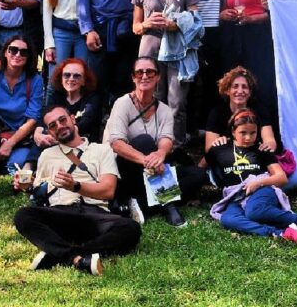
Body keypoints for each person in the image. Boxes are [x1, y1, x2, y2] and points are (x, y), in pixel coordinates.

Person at [13, 105, 142, 275]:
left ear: (72, 119)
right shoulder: (46, 155)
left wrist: (75, 186)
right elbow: (39, 193)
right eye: (53, 125)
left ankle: (58, 254)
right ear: (50, 132)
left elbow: (108, 190)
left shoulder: (101, 150)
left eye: (62, 120)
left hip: (94, 214)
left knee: (130, 228)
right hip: (61, 212)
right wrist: (27, 187)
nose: (59, 126)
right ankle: (77, 258)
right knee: (23, 215)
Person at [206, 109, 297, 242]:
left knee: (254, 212)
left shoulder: (262, 150)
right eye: (243, 133)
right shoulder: (219, 149)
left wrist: (258, 183)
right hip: (236, 196)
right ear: (233, 131)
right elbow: (202, 168)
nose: (248, 137)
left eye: (253, 133)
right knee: (228, 219)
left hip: (261, 190)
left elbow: (281, 178)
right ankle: (281, 233)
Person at [105, 56, 187, 227]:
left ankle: (140, 201)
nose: (144, 76)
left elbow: (166, 139)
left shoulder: (164, 110)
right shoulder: (122, 104)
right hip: (123, 168)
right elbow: (116, 144)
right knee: (145, 141)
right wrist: (148, 160)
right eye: (139, 72)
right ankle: (168, 203)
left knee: (196, 175)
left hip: (151, 169)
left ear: (158, 77)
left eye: (150, 72)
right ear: (133, 77)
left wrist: (160, 153)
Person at [132, 0, 199, 146]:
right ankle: (152, 143)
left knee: (176, 101)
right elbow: (135, 27)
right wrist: (147, 23)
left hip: (178, 53)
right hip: (149, 52)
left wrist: (175, 24)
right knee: (153, 98)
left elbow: (195, 20)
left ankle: (176, 146)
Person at [218, 0, 275, 110]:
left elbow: (272, 12)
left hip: (258, 36)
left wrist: (251, 18)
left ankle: (262, 119)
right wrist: (223, 15)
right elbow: (222, 11)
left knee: (260, 81)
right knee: (233, 80)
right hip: (234, 37)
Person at [0, 35, 45, 175]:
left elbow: (32, 119)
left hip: (18, 133)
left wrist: (9, 143)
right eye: (13, 50)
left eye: (23, 52)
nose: (18, 55)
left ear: (29, 57)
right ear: (5, 53)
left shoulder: (35, 80)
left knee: (17, 164)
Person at [205, 66, 279, 154]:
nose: (240, 91)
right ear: (227, 90)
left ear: (250, 92)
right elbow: (208, 149)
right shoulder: (217, 113)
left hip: (254, 155)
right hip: (226, 156)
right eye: (235, 86)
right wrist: (218, 143)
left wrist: (267, 147)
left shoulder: (260, 110)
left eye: (244, 87)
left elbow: (270, 142)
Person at [43, 57, 103, 142]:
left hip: (85, 144)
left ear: (84, 81)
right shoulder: (55, 96)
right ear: (61, 79)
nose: (71, 79)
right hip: (57, 141)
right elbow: (45, 120)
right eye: (66, 75)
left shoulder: (93, 99)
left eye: (77, 76)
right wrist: (38, 133)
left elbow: (86, 123)